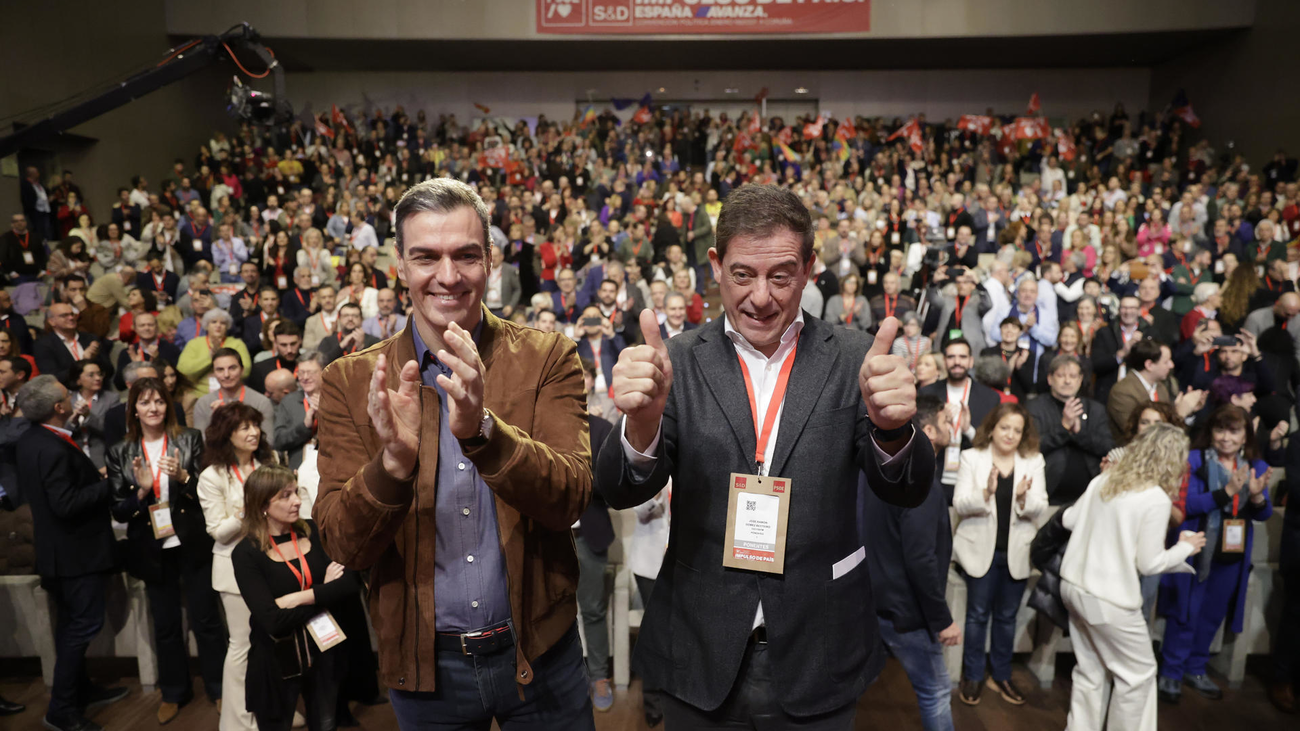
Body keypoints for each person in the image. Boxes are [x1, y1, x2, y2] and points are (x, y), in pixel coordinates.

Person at [598, 184, 934, 727]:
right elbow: (619, 489)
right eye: (742, 275)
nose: (760, 297)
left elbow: (908, 489)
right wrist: (640, 424)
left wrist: (894, 431)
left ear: (807, 269)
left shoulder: (855, 358)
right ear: (715, 265)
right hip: (699, 647)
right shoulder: (675, 361)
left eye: (780, 276)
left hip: (821, 644)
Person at [313, 179, 596, 728]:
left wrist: (483, 432)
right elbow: (343, 543)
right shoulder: (349, 381)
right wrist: (391, 467)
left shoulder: (548, 358)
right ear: (399, 263)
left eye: (466, 255)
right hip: (425, 670)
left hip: (541, 653)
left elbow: (572, 498)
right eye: (426, 256)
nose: (448, 276)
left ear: (489, 260)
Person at [1059, 423, 1206, 731]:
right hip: (1108, 599)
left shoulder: (1106, 478)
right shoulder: (1155, 498)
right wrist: (1184, 548)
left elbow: (1069, 519)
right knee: (1137, 675)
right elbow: (1150, 564)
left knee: (1090, 671)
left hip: (1072, 586)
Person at [106, 376, 226, 724]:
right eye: (144, 403)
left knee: (206, 621)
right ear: (134, 410)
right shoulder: (120, 451)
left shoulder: (189, 439)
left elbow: (208, 491)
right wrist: (142, 493)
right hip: (151, 549)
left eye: (159, 401)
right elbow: (118, 510)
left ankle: (219, 689)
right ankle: (174, 692)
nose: (153, 408)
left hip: (192, 543)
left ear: (168, 405)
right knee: (167, 625)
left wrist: (184, 478)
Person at [16, 375, 129, 731]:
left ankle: (80, 690)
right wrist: (106, 485)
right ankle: (62, 709)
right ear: (59, 407)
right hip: (75, 555)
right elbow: (65, 504)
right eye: (67, 395)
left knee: (70, 627)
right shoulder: (50, 447)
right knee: (81, 628)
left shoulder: (32, 438)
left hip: (60, 553)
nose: (72, 397)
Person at [1159, 404, 1276, 705]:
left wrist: (1257, 495)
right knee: (1185, 612)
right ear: (1210, 432)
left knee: (1212, 614)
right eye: (1220, 429)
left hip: (1232, 554)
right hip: (1196, 547)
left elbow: (1262, 515)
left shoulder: (1256, 466)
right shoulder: (1194, 460)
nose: (1225, 437)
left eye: (1234, 431)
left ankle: (1195, 668)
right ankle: (1171, 672)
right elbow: (1187, 505)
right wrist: (1226, 491)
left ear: (1245, 436)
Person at [232, 465, 359, 731]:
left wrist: (300, 597)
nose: (297, 500)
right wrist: (325, 592)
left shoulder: (311, 530)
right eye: (286, 495)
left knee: (326, 724)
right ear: (263, 504)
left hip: (324, 649)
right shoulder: (247, 552)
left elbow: (349, 584)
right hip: (276, 658)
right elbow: (272, 621)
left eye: (296, 492)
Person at [862, 395, 959, 731]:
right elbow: (920, 559)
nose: (953, 427)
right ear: (930, 431)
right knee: (936, 691)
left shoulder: (879, 472)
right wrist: (942, 620)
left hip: (874, 602)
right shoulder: (921, 485)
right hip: (907, 613)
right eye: (947, 421)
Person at [953, 402, 1048, 707]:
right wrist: (986, 492)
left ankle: (1002, 675)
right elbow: (960, 503)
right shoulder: (972, 457)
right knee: (977, 616)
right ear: (992, 427)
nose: (1010, 435)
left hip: (1016, 553)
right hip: (979, 551)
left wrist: (1022, 497)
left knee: (1007, 618)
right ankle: (973, 676)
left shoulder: (1034, 461)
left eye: (1017, 430)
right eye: (1005, 427)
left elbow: (1040, 507)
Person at [197, 402, 277, 731]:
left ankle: (273, 709)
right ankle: (238, 722)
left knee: (273, 643)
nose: (253, 432)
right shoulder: (212, 476)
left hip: (273, 562)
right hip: (233, 570)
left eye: (255, 425)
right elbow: (217, 531)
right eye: (244, 427)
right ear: (226, 434)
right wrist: (249, 505)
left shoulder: (268, 462)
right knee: (242, 646)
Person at [1026, 354, 1114, 505]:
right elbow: (1031, 447)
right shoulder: (1034, 408)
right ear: (1050, 379)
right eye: (1061, 376)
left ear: (1080, 380)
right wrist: (1064, 427)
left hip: (1089, 498)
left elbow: (1108, 447)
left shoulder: (1095, 409)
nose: (1067, 381)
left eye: (1073, 376)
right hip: (1048, 495)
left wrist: (1079, 433)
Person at [1106, 340, 1200, 441]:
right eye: (1166, 361)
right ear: (1149, 365)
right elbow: (1136, 435)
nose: (1171, 365)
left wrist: (1188, 409)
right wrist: (1179, 414)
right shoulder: (1122, 392)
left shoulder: (1161, 388)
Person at [919, 338, 1001, 451]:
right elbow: (919, 436)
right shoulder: (927, 393)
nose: (957, 362)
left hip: (974, 463)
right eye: (951, 357)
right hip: (936, 463)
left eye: (963, 357)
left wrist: (968, 430)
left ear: (971, 361)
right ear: (944, 361)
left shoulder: (990, 397)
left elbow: (993, 443)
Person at [192, 347, 275, 437]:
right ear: (213, 373)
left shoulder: (261, 402)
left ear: (242, 370)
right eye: (220, 370)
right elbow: (201, 444)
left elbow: (268, 441)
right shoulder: (203, 404)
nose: (226, 375)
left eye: (232, 368)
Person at [178, 309, 253, 400]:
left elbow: (246, 370)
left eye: (223, 323)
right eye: (214, 322)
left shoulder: (237, 344)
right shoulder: (194, 343)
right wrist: (210, 358)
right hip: (199, 395)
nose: (218, 325)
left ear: (227, 326)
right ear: (206, 325)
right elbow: (183, 370)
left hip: (232, 394)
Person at [33, 301, 111, 385]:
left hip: (98, 391)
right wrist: (85, 361)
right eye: (64, 315)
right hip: (67, 393)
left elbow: (110, 370)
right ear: (52, 321)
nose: (71, 318)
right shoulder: (44, 345)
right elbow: (52, 377)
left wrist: (95, 359)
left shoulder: (90, 339)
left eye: (72, 314)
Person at [273, 353, 324, 469]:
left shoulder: (335, 399)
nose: (305, 377)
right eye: (301, 372)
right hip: (297, 469)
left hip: (330, 467)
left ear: (324, 371)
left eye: (311, 372)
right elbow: (279, 441)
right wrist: (305, 426)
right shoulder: (289, 401)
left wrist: (326, 414)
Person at [65, 359, 118, 471]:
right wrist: (73, 421)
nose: (98, 378)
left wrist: (89, 416)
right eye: (91, 375)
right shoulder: (67, 400)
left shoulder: (111, 399)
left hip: (102, 456)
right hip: (73, 455)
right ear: (78, 380)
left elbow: (112, 430)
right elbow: (60, 432)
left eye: (99, 374)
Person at [248, 320, 302, 394]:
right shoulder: (260, 369)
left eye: (293, 344)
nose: (289, 350)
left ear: (300, 341)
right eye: (283, 345)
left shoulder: (312, 368)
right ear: (275, 343)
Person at [301, 285, 338, 352]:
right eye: (323, 297)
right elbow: (306, 346)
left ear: (336, 297)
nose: (327, 300)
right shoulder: (311, 321)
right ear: (318, 300)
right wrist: (326, 338)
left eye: (330, 296)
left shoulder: (345, 316)